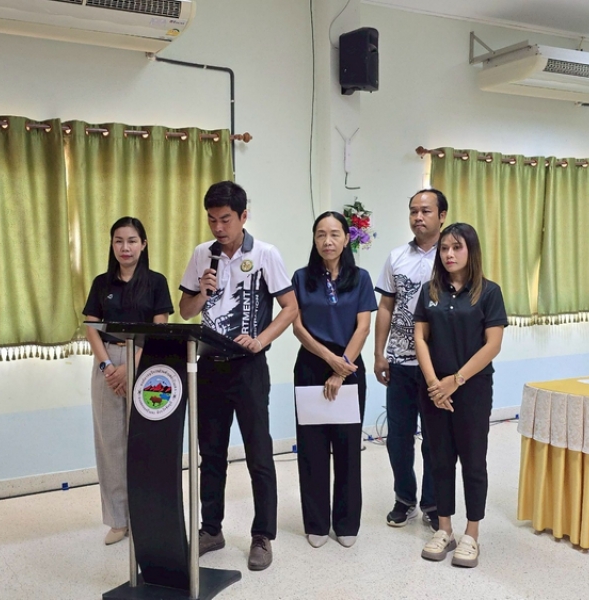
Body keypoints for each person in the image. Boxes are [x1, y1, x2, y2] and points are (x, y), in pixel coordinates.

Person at [179, 181, 298, 571]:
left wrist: (261, 340)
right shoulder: (202, 254)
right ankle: (211, 529)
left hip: (248, 368)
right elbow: (185, 310)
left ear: (244, 216)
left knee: (258, 453)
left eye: (226, 219)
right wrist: (201, 292)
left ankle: (262, 535)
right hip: (209, 366)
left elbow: (290, 307)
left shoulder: (265, 254)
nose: (218, 227)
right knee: (211, 454)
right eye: (212, 219)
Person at [413, 222, 508, 568]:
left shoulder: (489, 292)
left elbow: (492, 345)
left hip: (472, 391)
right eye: (444, 248)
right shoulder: (429, 291)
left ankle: (472, 533)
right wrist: (434, 383)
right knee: (439, 459)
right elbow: (420, 338)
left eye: (457, 247)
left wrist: (455, 380)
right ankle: (444, 528)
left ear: (471, 251)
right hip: (434, 390)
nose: (449, 254)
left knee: (473, 461)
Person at [83, 217, 174, 545]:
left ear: (143, 244)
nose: (125, 247)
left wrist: (131, 367)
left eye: (132, 240)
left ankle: (146, 516)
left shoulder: (156, 282)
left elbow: (160, 328)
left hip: (145, 362)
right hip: (107, 362)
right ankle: (118, 520)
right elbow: (91, 327)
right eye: (119, 241)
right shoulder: (101, 283)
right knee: (110, 444)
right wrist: (108, 366)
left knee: (145, 443)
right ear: (112, 245)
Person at [291, 211, 377, 549]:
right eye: (321, 235)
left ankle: (346, 522)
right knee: (311, 449)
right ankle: (315, 522)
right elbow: (298, 327)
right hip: (311, 366)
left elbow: (363, 327)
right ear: (314, 240)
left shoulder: (361, 278)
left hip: (349, 367)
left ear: (346, 238)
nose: (327, 241)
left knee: (347, 448)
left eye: (335, 234)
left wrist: (342, 369)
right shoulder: (301, 278)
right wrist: (330, 361)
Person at [373, 189, 448, 531]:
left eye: (426, 211)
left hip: (438, 366)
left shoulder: (451, 256)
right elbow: (386, 306)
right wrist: (379, 353)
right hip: (400, 364)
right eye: (413, 211)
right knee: (398, 438)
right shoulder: (396, 257)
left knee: (435, 439)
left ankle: (433, 503)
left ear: (442, 216)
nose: (418, 217)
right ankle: (404, 499)